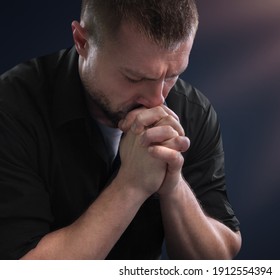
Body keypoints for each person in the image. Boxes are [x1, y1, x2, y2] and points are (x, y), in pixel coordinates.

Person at [0, 0, 241, 259]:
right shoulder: (11, 109)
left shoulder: (193, 111)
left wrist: (173, 185)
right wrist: (131, 185)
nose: (157, 100)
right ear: (82, 41)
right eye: (135, 78)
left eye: (172, 76)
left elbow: (219, 261)